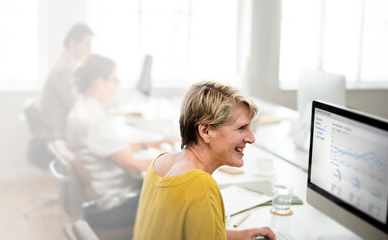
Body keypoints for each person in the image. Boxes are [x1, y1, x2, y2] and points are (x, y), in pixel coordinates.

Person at [133, 81, 276, 240]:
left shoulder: (160, 163)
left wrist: (238, 235)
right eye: (241, 128)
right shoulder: (200, 185)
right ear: (206, 131)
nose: (251, 138)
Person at [66, 54, 171, 229]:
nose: (117, 86)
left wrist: (147, 145)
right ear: (100, 81)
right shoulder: (96, 121)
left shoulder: (82, 110)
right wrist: (177, 160)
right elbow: (133, 165)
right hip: (114, 204)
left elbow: (111, 147)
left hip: (100, 198)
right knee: (175, 202)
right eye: (115, 80)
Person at [39, 23, 93, 139]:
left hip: (60, 127)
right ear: (73, 43)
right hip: (58, 132)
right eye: (87, 44)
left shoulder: (65, 64)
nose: (90, 49)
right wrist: (99, 106)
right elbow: (76, 105)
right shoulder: (63, 70)